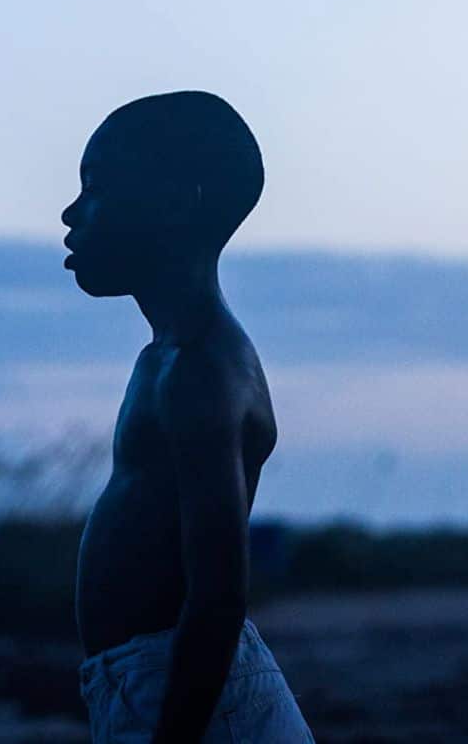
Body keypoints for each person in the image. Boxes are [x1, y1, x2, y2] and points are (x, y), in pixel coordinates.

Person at [62, 91, 314, 743]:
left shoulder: (201, 371)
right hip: (162, 687)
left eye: (95, 188)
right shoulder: (169, 361)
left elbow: (217, 598)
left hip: (197, 700)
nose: (71, 212)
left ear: (178, 202)